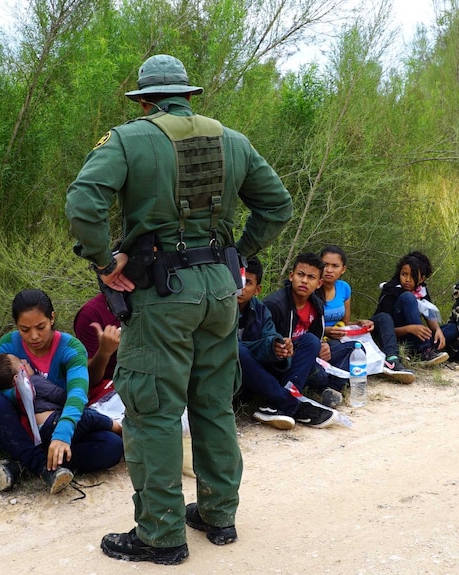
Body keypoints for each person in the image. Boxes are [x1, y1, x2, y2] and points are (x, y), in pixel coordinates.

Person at [65, 55, 293, 565]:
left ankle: (161, 534)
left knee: (153, 409)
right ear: (188, 96)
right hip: (220, 289)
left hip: (163, 292)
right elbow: (277, 204)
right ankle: (219, 515)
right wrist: (239, 254)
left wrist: (104, 263)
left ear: (144, 100)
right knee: (213, 402)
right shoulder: (231, 139)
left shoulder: (128, 139)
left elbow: (84, 203)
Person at [0, 289, 124, 495]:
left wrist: (62, 434)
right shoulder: (8, 345)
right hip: (21, 425)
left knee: (111, 446)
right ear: (16, 325)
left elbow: (77, 394)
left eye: (40, 327)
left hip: (56, 423)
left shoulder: (71, 348)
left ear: (52, 318)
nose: (34, 336)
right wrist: (23, 394)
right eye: (24, 329)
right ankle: (44, 466)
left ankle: (25, 462)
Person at [237, 257, 336, 429]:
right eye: (236, 281)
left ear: (257, 289)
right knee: (237, 351)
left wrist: (281, 348)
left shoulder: (261, 309)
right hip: (233, 375)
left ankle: (275, 404)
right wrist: (269, 347)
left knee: (312, 346)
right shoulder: (273, 304)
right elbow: (225, 347)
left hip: (265, 370)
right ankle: (290, 404)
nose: (240, 288)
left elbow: (271, 338)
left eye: (247, 283)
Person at [319, 245, 416, 384]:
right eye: (325, 265)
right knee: (347, 349)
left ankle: (392, 360)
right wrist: (327, 330)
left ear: (343, 269)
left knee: (383, 318)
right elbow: (306, 324)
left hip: (341, 332)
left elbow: (346, 322)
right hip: (324, 338)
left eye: (335, 266)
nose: (329, 270)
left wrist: (360, 323)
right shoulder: (313, 287)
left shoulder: (344, 288)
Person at [263, 252, 346, 408]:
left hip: (306, 354)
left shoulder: (317, 304)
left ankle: (332, 388)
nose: (304, 281)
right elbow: (264, 344)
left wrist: (322, 345)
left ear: (319, 283)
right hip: (282, 363)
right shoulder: (275, 305)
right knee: (319, 375)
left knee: (351, 347)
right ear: (291, 276)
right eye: (300, 275)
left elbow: (315, 336)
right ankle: (289, 400)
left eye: (311, 277)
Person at [0, 353, 123, 437]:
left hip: (43, 431)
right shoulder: (34, 382)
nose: (25, 361)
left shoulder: (16, 396)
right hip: (54, 422)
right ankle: (120, 428)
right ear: (18, 378)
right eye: (21, 363)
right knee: (89, 417)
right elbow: (60, 396)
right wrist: (77, 397)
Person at [374, 251, 452, 367]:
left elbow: (428, 313)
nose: (407, 279)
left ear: (421, 279)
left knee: (452, 329)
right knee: (408, 297)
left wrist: (437, 330)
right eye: (404, 274)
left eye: (413, 276)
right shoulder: (390, 291)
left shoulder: (421, 291)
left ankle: (424, 349)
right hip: (396, 337)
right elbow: (383, 330)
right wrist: (409, 329)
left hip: (414, 336)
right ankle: (425, 351)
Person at [72, 292, 120, 404]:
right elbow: (89, 380)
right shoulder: (90, 315)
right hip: (112, 393)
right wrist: (104, 352)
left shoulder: (156, 300)